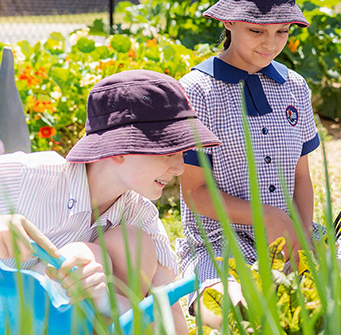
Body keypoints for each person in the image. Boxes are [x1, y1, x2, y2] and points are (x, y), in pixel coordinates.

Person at [177, 0, 341, 328]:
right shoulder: (197, 91)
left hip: (290, 237)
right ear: (228, 21)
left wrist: (301, 234)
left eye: (282, 31)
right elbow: (195, 194)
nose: (271, 43)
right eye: (257, 31)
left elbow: (302, 177)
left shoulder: (295, 86)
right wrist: (267, 216)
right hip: (220, 243)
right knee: (237, 310)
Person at [0, 69, 220, 334]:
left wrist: (107, 300)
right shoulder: (27, 176)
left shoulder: (140, 217)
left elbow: (174, 326)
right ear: (119, 149)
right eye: (168, 151)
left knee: (130, 243)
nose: (179, 168)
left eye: (182, 153)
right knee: (84, 255)